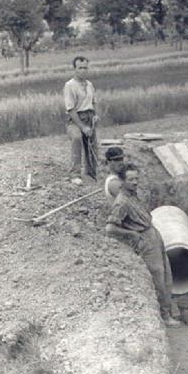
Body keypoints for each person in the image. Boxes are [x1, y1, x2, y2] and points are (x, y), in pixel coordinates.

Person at [105, 164, 181, 328]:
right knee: (158, 277)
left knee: (167, 273)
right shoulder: (122, 202)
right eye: (130, 179)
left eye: (136, 179)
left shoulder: (133, 195)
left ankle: (170, 309)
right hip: (145, 240)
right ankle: (165, 316)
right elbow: (110, 228)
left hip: (153, 233)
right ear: (122, 182)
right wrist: (132, 234)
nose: (135, 182)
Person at [64, 56, 99, 186]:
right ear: (75, 69)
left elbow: (94, 102)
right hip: (75, 119)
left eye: (85, 68)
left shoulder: (89, 84)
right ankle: (74, 174)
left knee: (92, 144)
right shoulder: (70, 85)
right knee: (77, 138)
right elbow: (71, 109)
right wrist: (83, 127)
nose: (83, 70)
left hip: (89, 116)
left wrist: (95, 115)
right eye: (80, 68)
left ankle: (92, 173)